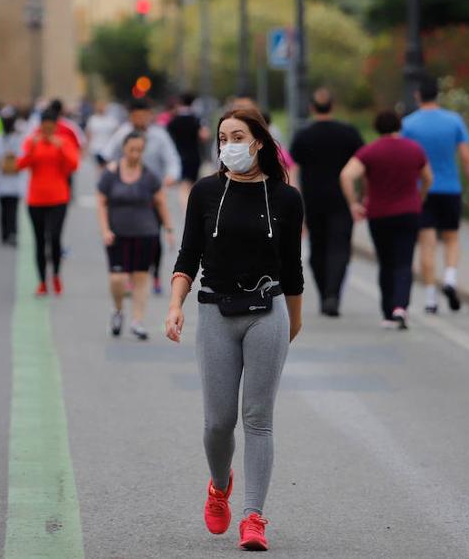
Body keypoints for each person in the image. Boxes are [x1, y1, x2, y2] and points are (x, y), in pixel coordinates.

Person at [165, 106, 304, 552]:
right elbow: (188, 256)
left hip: (268, 311)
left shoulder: (286, 198)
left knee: (258, 420)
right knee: (218, 423)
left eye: (238, 136)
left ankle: (253, 517)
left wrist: (292, 322)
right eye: (224, 138)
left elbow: (293, 269)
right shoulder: (206, 192)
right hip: (214, 313)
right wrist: (175, 306)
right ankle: (219, 485)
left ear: (259, 141)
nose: (229, 146)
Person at [340, 111, 433, 329]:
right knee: (404, 261)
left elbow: (346, 175)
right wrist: (420, 197)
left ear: (376, 127)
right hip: (409, 212)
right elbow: (428, 177)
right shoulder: (414, 149)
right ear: (399, 125)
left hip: (379, 214)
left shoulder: (370, 151)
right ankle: (401, 307)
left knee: (386, 262)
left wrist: (354, 203)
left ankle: (388, 312)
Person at [402, 75, 469, 314]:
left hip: (422, 191)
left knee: (426, 243)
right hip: (450, 189)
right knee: (452, 238)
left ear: (418, 96)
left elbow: (405, 159)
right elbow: (466, 157)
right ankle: (450, 278)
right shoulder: (454, 121)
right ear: (438, 95)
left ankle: (430, 299)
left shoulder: (409, 124)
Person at [288, 89, 365, 317]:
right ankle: (332, 294)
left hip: (313, 199)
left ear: (312, 108)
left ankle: (324, 293)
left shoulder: (303, 134)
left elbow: (293, 169)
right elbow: (363, 164)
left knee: (318, 248)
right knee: (340, 247)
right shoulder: (348, 133)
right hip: (343, 198)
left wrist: (295, 198)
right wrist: (363, 194)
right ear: (333, 106)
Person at [97, 132, 174, 340]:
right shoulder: (111, 174)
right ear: (124, 149)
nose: (135, 154)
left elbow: (161, 202)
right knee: (117, 278)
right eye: (132, 149)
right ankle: (118, 310)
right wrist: (105, 229)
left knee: (141, 276)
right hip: (117, 234)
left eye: (139, 150)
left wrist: (168, 229)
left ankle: (137, 321)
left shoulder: (149, 175)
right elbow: (101, 203)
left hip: (145, 232)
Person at [99, 99, 181, 294]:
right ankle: (128, 275)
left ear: (150, 115)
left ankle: (154, 275)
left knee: (153, 236)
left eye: (144, 115)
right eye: (136, 115)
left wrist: (171, 175)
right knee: (128, 237)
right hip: (127, 193)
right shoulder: (122, 134)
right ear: (131, 116)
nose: (141, 119)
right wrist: (110, 168)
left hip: (153, 193)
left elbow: (172, 158)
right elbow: (106, 155)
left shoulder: (159, 135)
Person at [18, 108, 80, 296]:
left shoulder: (64, 141)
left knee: (54, 239)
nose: (46, 132)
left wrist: (59, 146)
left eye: (50, 128)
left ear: (55, 127)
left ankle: (56, 275)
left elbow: (74, 164)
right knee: (39, 241)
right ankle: (42, 282)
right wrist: (32, 149)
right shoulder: (32, 141)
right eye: (43, 128)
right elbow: (21, 165)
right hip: (36, 199)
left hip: (58, 198)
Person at [0, 114, 26, 246]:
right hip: (13, 179)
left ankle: (4, 234)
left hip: (1, 178)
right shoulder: (18, 139)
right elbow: (23, 158)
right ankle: (12, 233)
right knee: (12, 208)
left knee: (3, 208)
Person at [167, 92, 210, 208]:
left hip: (179, 155)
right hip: (195, 155)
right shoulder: (197, 120)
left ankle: (187, 210)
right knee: (192, 185)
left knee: (184, 186)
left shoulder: (173, 121)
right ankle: (191, 210)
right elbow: (205, 136)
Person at [85, 100, 119, 169]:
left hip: (108, 148)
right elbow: (88, 134)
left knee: (107, 167)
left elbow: (117, 133)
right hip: (96, 148)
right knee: (100, 167)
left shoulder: (111, 119)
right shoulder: (93, 119)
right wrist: (86, 148)